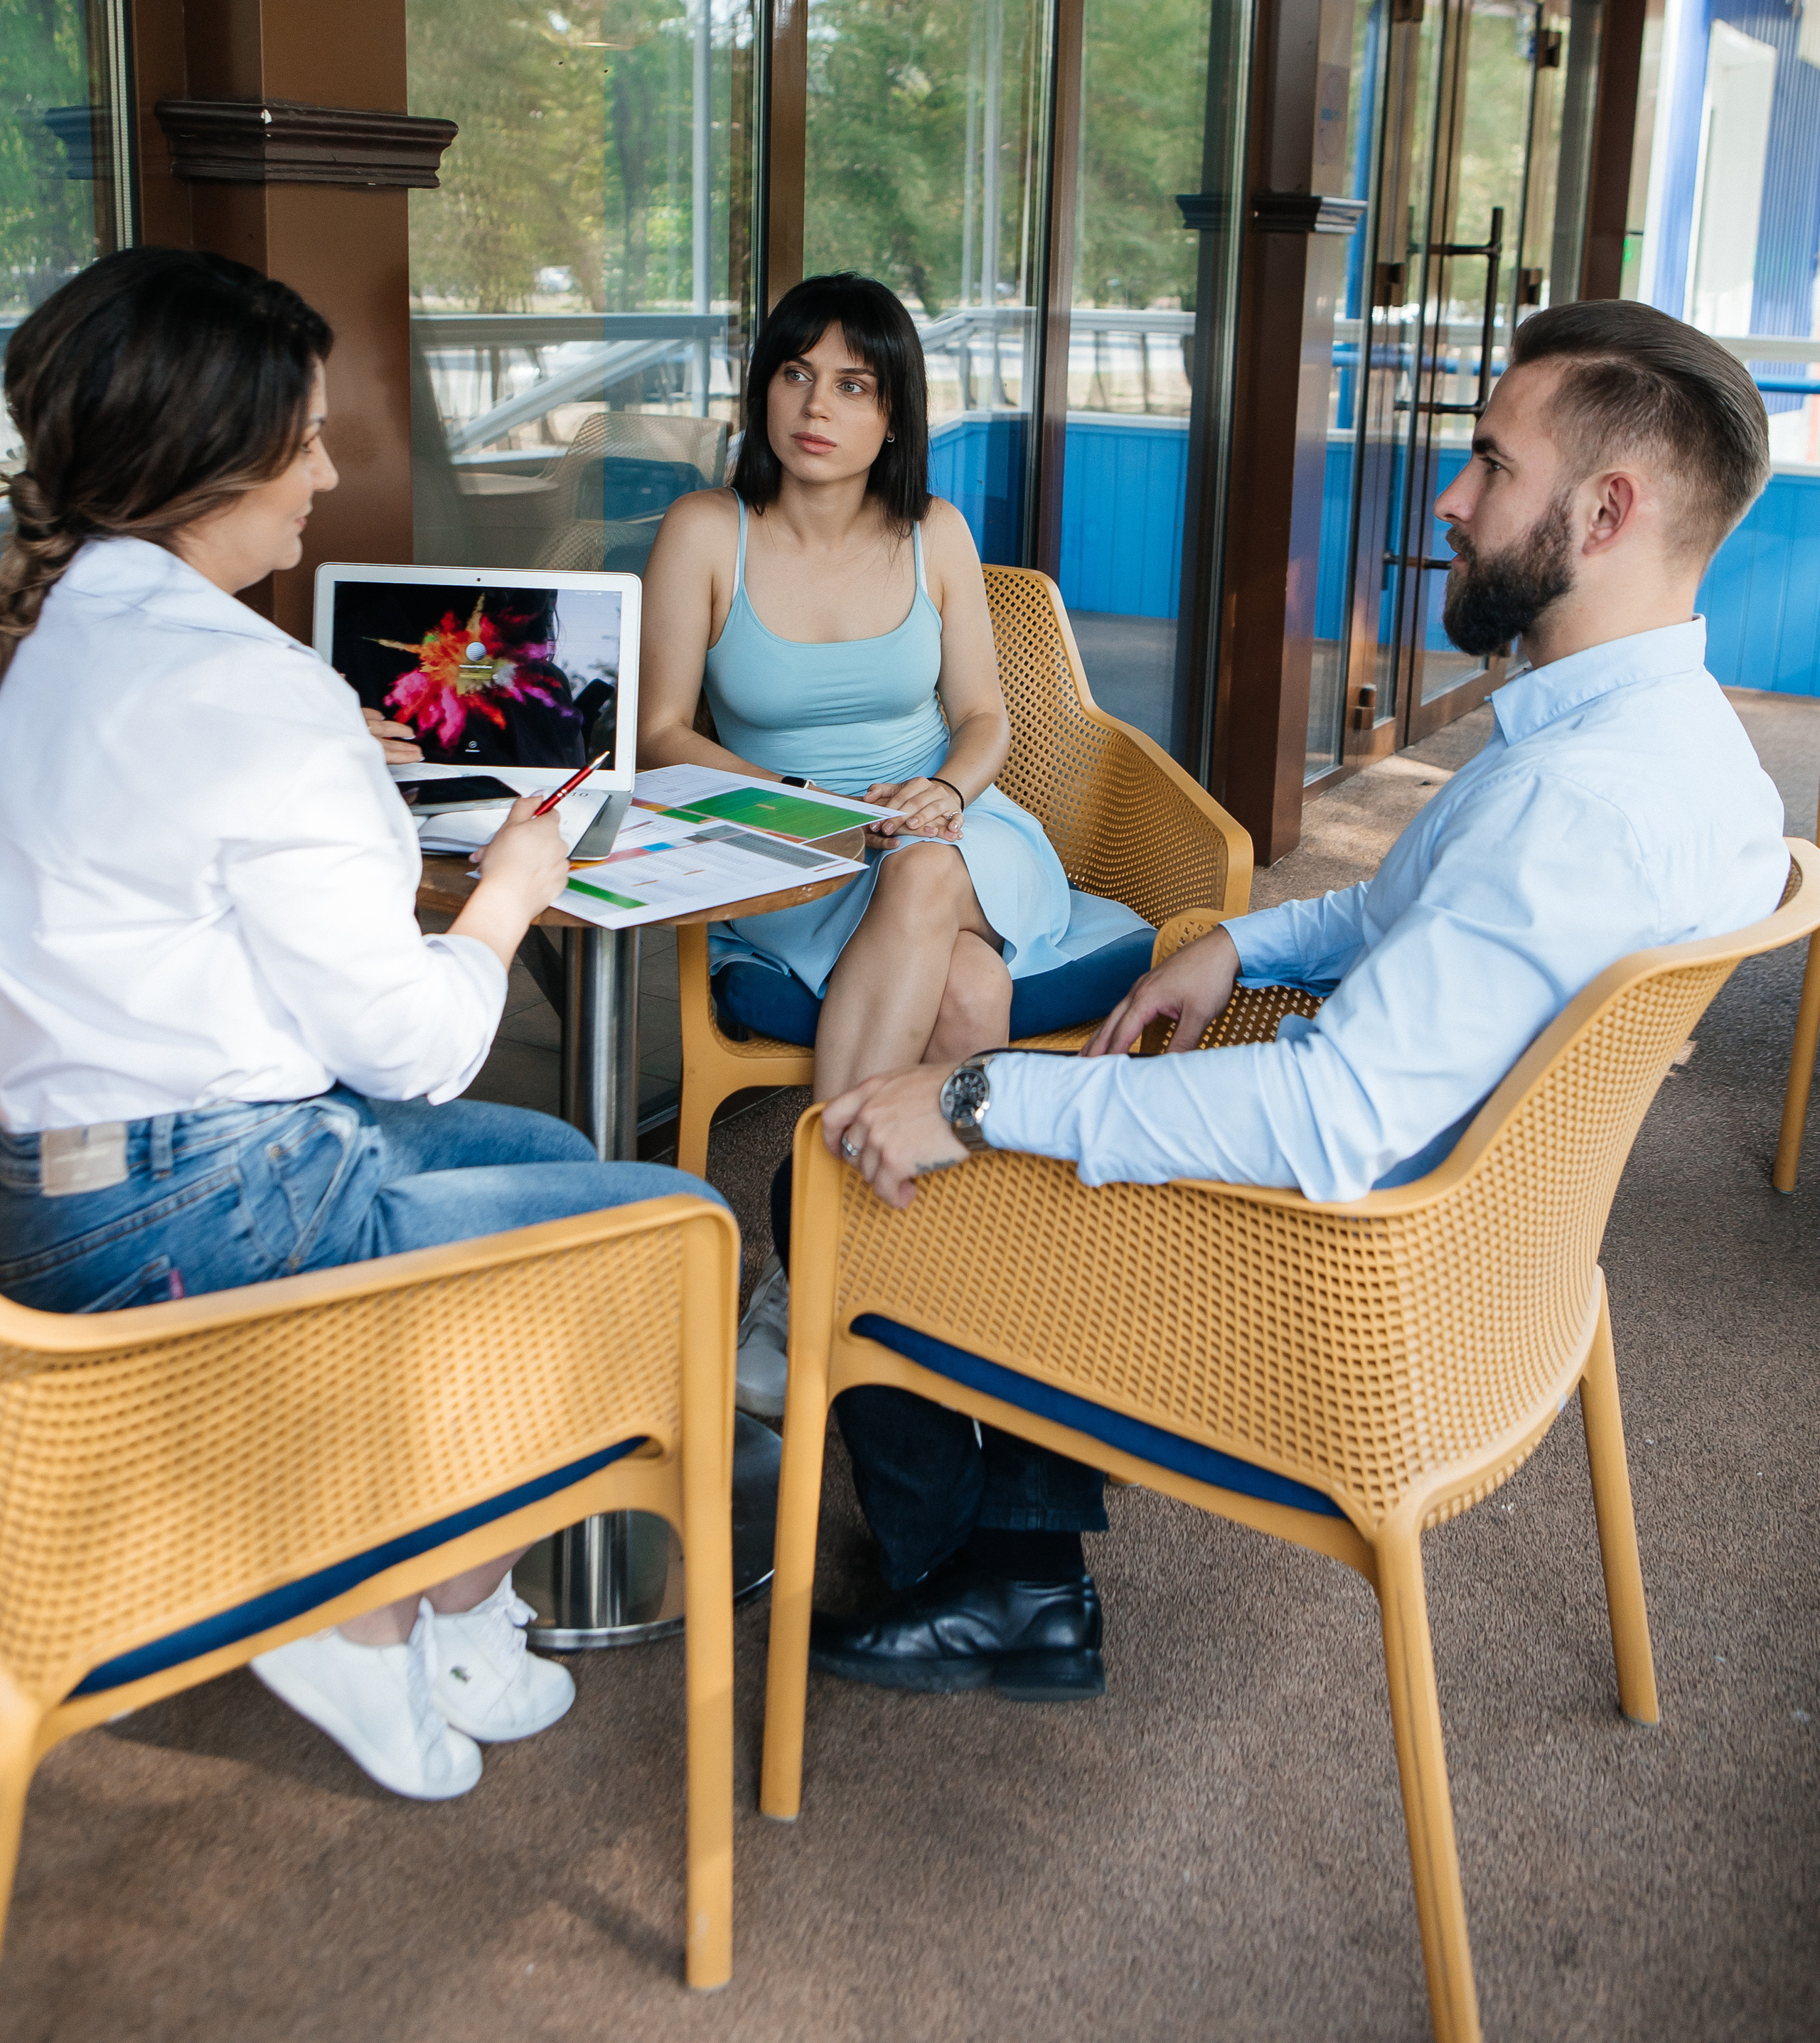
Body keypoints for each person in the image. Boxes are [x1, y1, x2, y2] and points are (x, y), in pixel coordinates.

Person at [804, 300, 1788, 1698]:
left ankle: (986, 1583)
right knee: (1047, 1116)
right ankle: (1022, 1550)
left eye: (1491, 467)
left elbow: (1325, 1120)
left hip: (1331, 1292)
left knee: (845, 1176)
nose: (1447, 499)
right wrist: (1239, 951)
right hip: (1503, 1275)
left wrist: (967, 1098)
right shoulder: (1692, 766)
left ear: (1606, 509)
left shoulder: (1571, 806)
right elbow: (1406, 921)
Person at [0, 249, 717, 1800]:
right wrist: (512, 884)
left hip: (55, 1193)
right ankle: (371, 1602)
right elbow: (412, 1047)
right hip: (200, 1208)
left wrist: (350, 775)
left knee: (539, 1145)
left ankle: (449, 1607)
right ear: (213, 458)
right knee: (675, 1233)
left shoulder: (63, 643)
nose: (328, 472)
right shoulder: (259, 692)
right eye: (305, 439)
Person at [638, 274, 1151, 1410]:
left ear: (893, 414)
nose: (816, 405)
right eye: (795, 374)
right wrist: (798, 801)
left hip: (959, 830)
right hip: (789, 848)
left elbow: (985, 719)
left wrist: (946, 797)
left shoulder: (937, 534)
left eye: (853, 384)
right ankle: (939, 1291)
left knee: (924, 876)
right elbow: (662, 732)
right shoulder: (705, 531)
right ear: (765, 388)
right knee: (968, 991)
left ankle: (809, 1265)